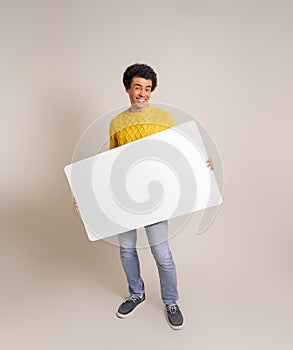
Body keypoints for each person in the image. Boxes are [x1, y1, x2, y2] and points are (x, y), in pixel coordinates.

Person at [73, 63, 214, 330]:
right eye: (138, 87)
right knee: (127, 250)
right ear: (127, 88)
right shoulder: (117, 123)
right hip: (124, 198)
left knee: (162, 254)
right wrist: (86, 197)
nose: (143, 94)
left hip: (155, 197)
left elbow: (178, 154)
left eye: (148, 89)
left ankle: (171, 301)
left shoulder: (164, 118)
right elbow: (109, 166)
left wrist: (201, 164)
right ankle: (136, 293)